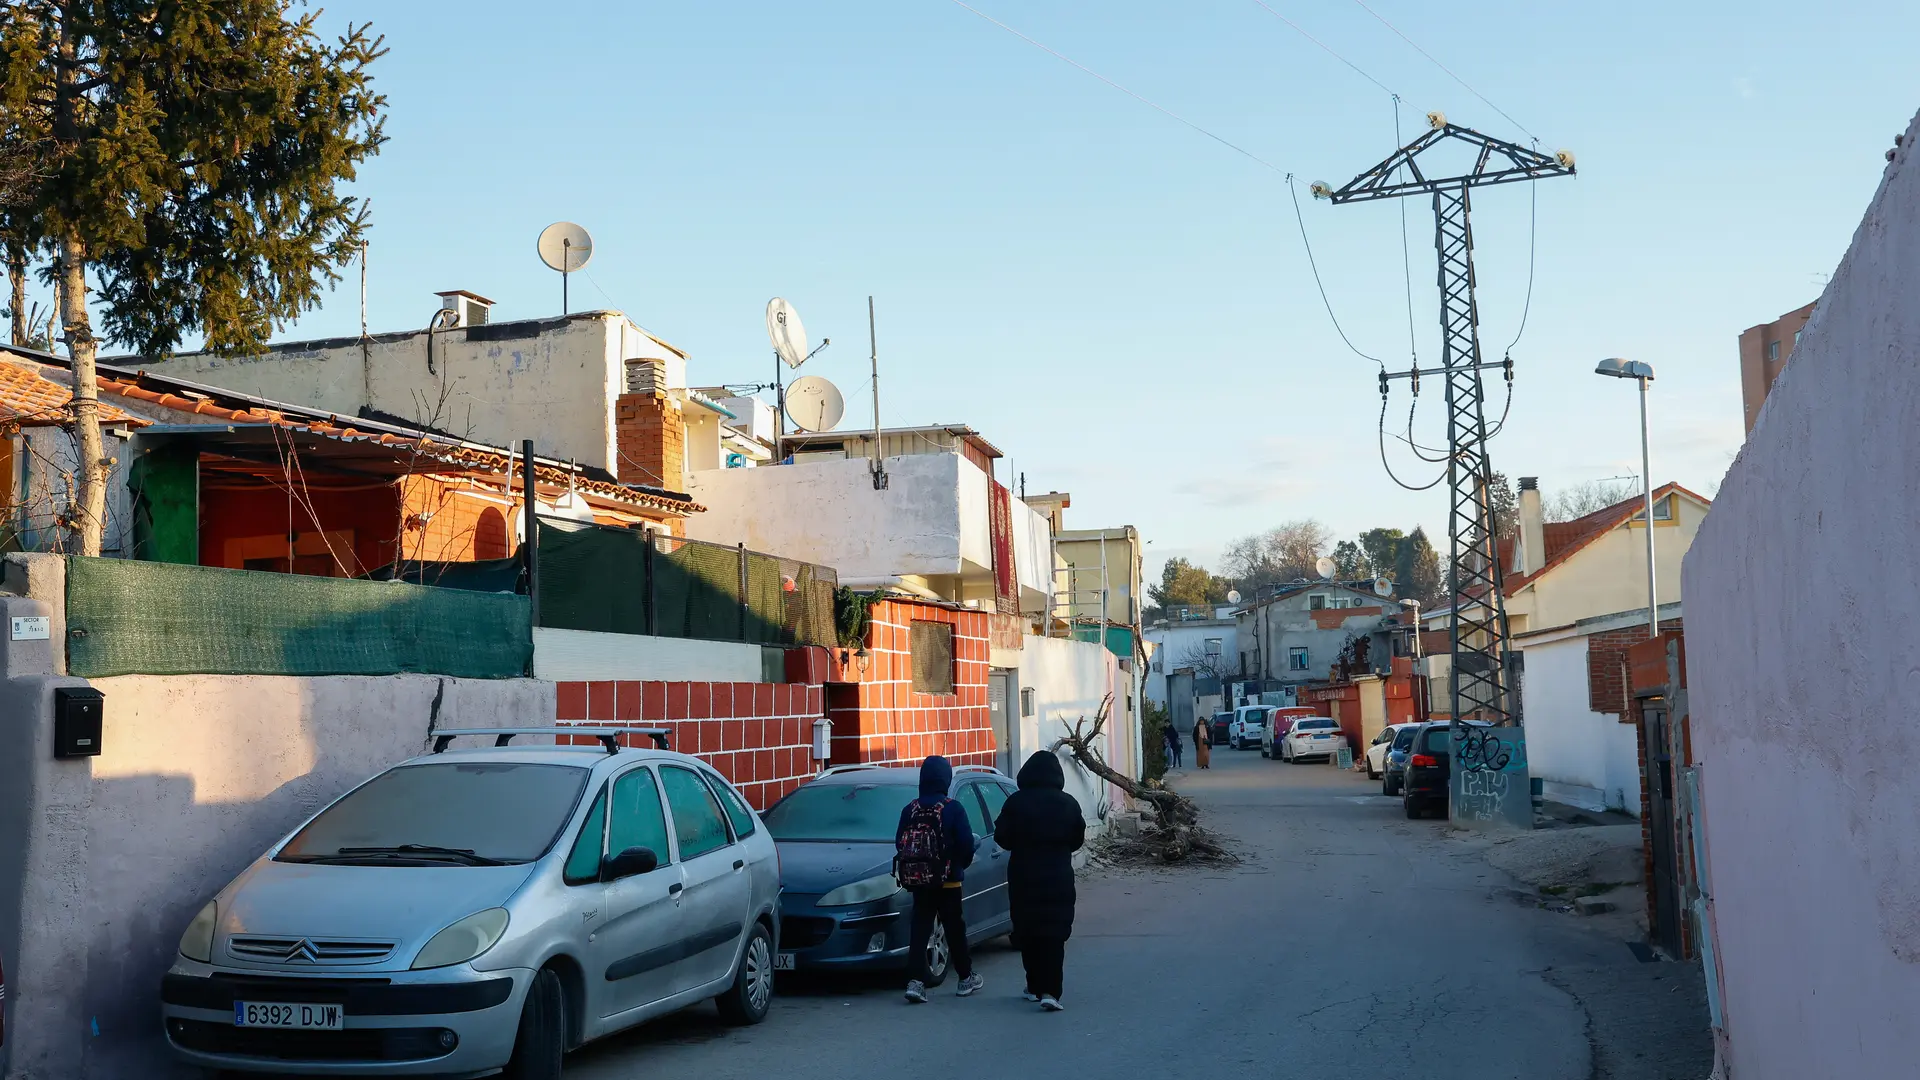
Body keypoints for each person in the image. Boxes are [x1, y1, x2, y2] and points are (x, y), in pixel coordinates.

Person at [993, 751, 1086, 1012]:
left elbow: (1002, 836)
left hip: (1024, 876)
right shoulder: (1068, 804)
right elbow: (1077, 839)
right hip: (1058, 875)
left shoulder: (1016, 803)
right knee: (1054, 933)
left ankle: (1033, 985)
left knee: (1028, 930)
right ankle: (1051, 991)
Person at [894, 755, 983, 1002]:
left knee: (920, 928)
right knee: (954, 928)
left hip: (919, 881)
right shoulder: (952, 808)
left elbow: (899, 842)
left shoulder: (909, 809)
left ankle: (915, 983)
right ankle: (965, 979)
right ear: (946, 778)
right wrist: (958, 866)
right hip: (948, 880)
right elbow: (966, 843)